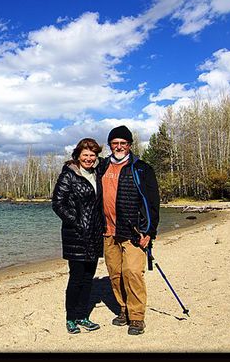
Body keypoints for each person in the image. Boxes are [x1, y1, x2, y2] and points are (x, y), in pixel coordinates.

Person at [96, 125, 160, 336]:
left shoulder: (141, 168)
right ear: (110, 145)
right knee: (115, 274)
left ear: (130, 145)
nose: (119, 146)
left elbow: (152, 203)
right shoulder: (102, 167)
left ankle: (137, 317)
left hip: (134, 233)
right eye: (115, 143)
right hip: (108, 231)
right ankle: (123, 309)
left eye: (123, 143)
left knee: (132, 272)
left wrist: (150, 232)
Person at [52, 138, 105, 334]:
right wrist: (76, 221)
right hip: (75, 235)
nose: (89, 158)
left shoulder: (97, 174)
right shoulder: (69, 175)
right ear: (78, 156)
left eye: (92, 155)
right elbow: (58, 204)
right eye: (85, 155)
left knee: (88, 278)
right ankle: (71, 318)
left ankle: (83, 316)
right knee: (76, 278)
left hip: (94, 234)